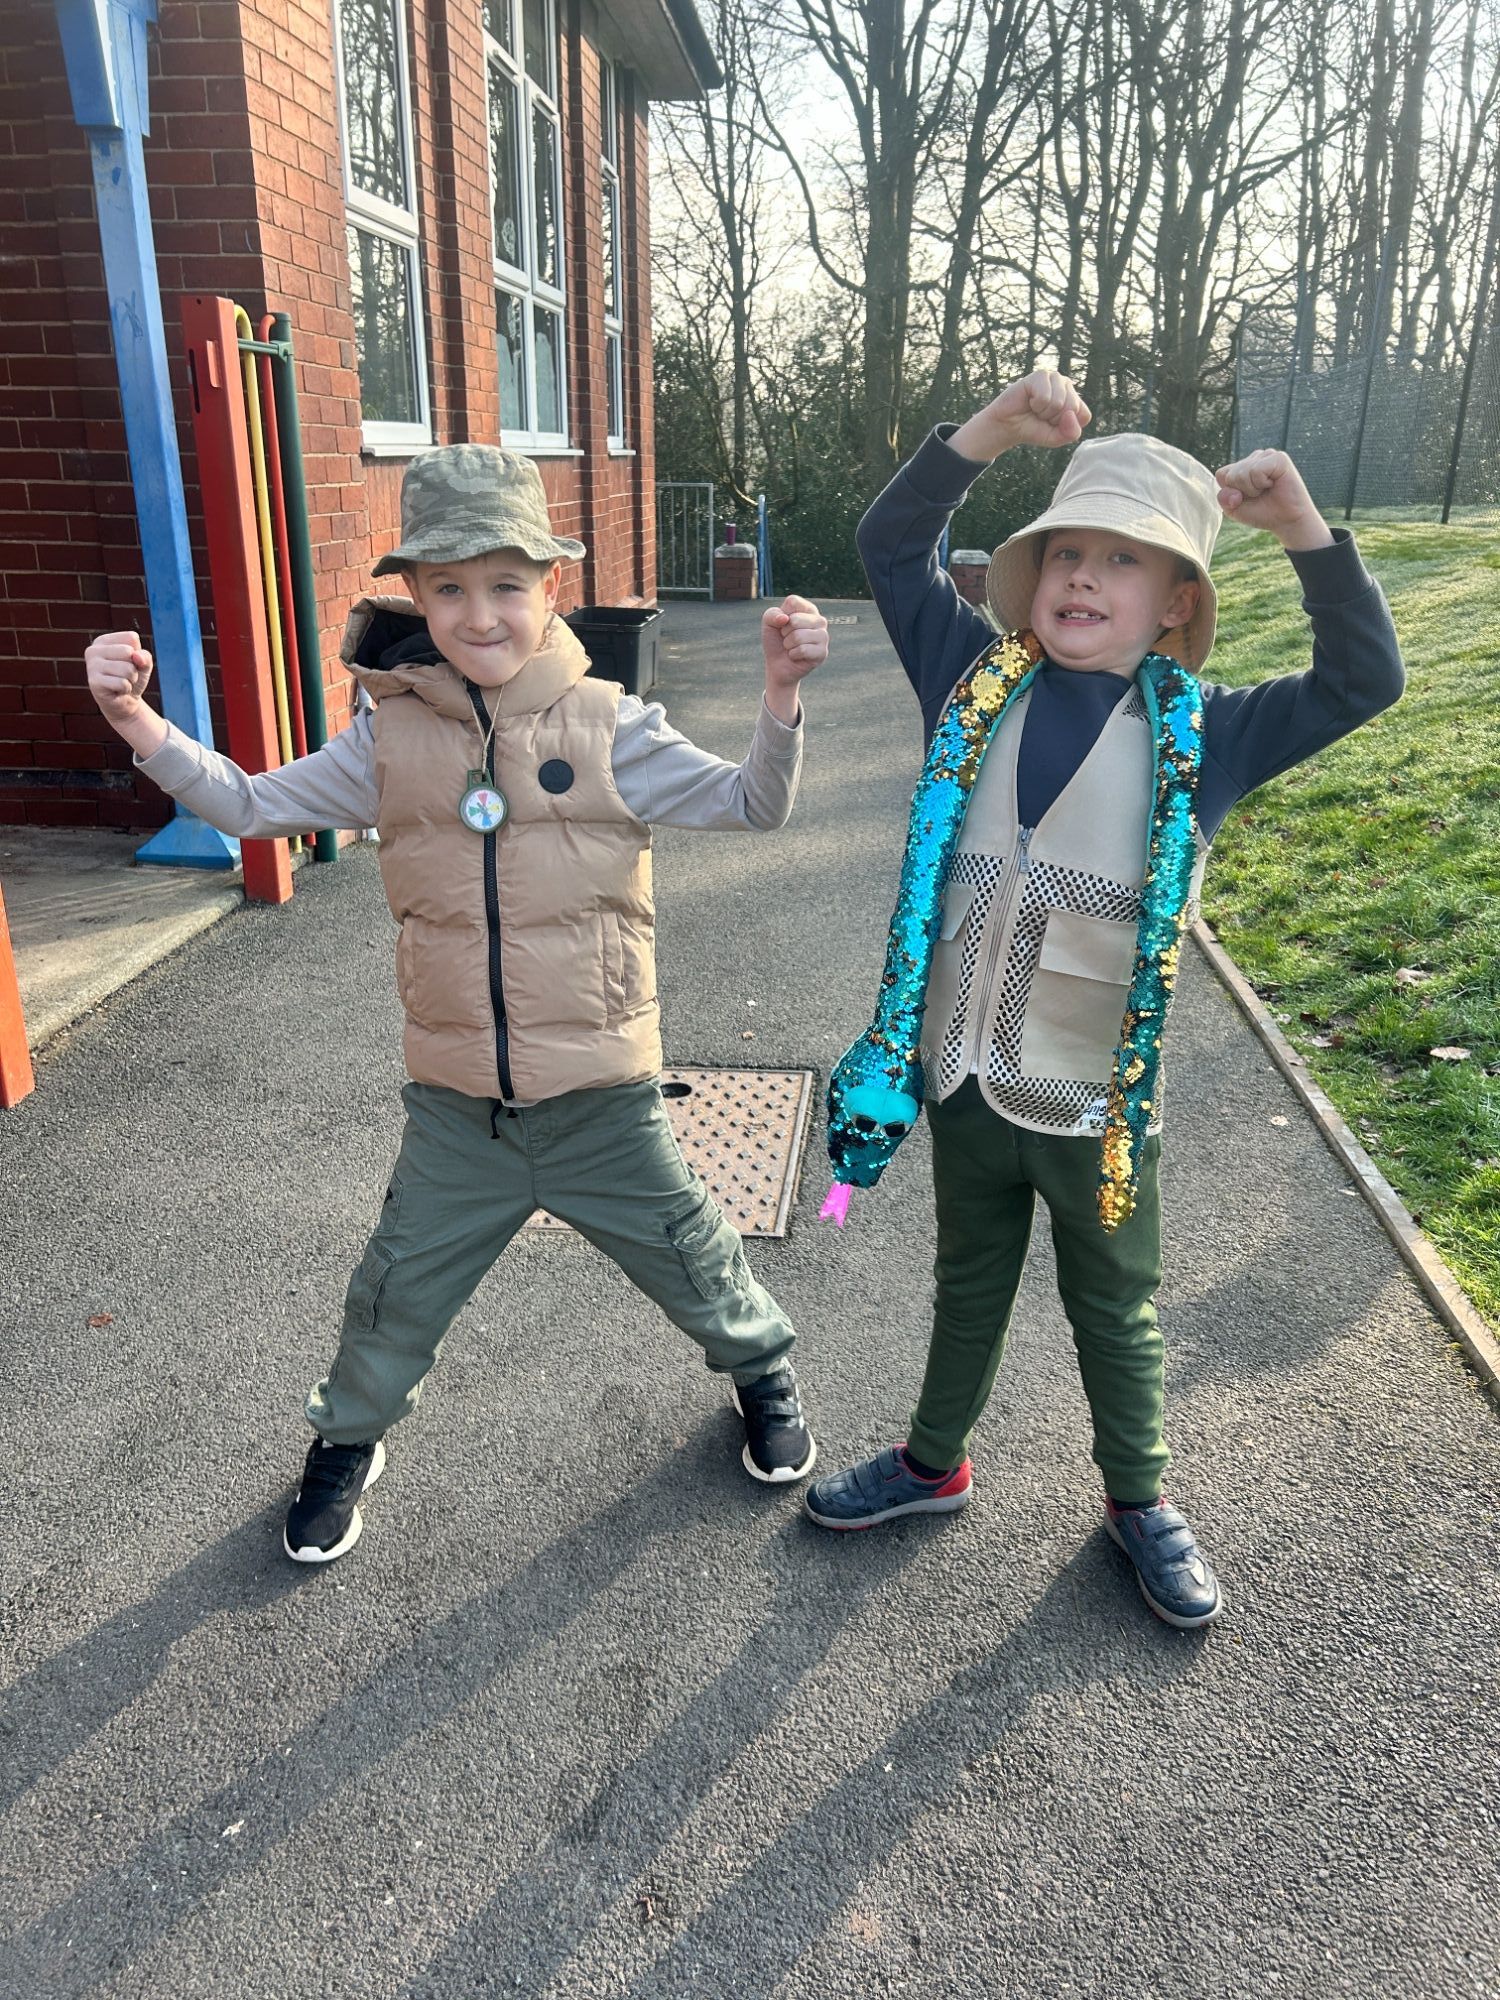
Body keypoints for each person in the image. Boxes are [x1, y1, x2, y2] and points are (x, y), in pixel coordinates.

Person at [85, 445, 829, 1562]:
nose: (480, 614)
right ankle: (349, 1436)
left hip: (602, 1099)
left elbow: (754, 803)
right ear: (416, 597)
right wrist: (136, 719)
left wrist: (780, 696)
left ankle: (761, 1371)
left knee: (691, 1254)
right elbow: (244, 805)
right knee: (393, 1293)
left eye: (506, 584)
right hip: (457, 1111)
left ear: (550, 587)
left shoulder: (611, 724)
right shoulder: (387, 737)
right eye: (449, 587)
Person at [804, 371, 1404, 1629]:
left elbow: (1363, 680)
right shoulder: (971, 681)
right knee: (966, 1281)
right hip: (960, 1078)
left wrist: (1305, 531)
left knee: (1114, 1307)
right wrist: (990, 434)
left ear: (1177, 600)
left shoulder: (1211, 736)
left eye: (1123, 560)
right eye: (1067, 552)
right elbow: (891, 546)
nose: (1084, 576)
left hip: (1097, 1113)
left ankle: (1140, 1497)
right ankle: (932, 1461)